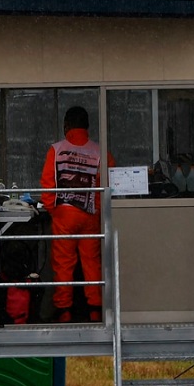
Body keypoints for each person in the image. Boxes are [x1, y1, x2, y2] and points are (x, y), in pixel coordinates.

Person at [40, 106, 114, 323]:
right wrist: (97, 209)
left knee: (63, 264)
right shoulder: (100, 152)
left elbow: (48, 184)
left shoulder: (56, 150)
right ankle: (95, 310)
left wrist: (55, 210)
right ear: (87, 126)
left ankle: (64, 312)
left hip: (64, 214)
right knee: (92, 264)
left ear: (66, 126)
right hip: (90, 214)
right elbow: (109, 183)